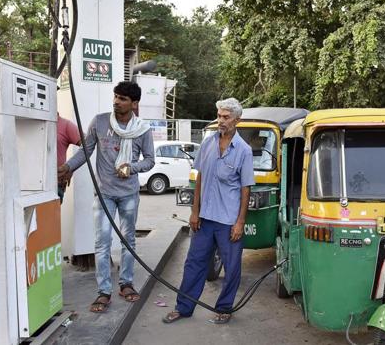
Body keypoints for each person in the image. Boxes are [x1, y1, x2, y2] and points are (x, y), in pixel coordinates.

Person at [58, 81, 155, 312]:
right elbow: (86, 150)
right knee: (102, 243)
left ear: (134, 104)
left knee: (127, 240)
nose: (116, 102)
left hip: (129, 194)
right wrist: (68, 167)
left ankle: (126, 283)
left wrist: (131, 167)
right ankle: (103, 291)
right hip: (104, 194)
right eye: (115, 97)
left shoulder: (142, 129)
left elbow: (150, 160)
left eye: (122, 99)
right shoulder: (100, 122)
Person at [163, 98, 254, 324]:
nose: (220, 121)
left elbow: (246, 189)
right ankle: (183, 307)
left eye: (226, 117)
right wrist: (194, 212)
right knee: (194, 262)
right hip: (205, 218)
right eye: (219, 116)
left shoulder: (244, 150)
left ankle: (224, 308)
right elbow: (200, 178)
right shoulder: (208, 143)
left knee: (231, 266)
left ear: (237, 120)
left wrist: (240, 221)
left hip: (228, 220)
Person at [56, 113, 81, 203]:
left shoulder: (66, 125)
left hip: (56, 185)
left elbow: (88, 145)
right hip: (25, 184)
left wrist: (70, 167)